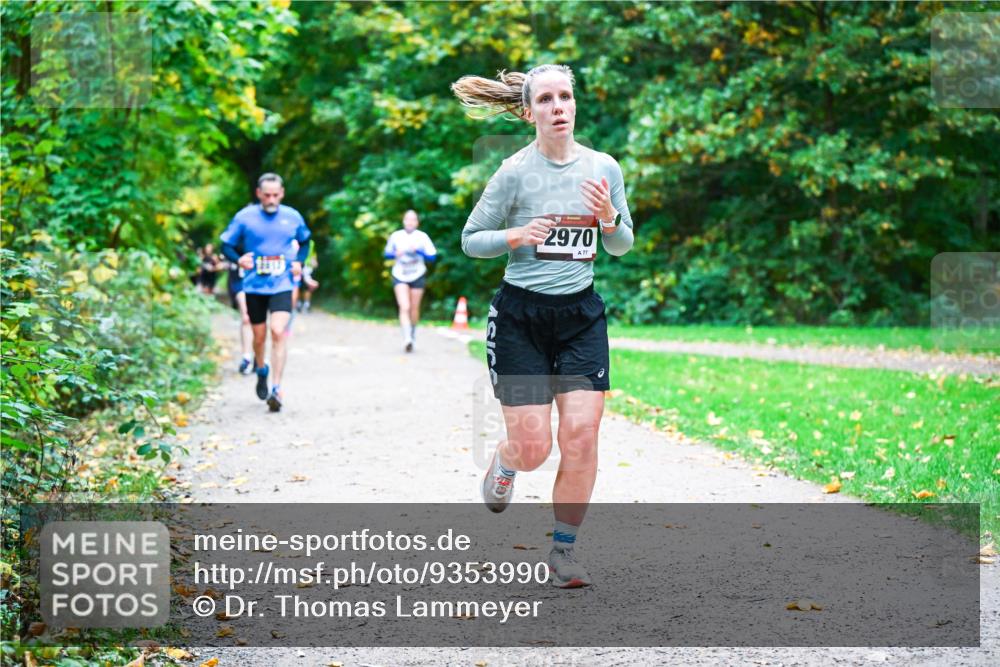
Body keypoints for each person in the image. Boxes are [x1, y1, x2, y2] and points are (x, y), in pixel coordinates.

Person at [453, 65, 635, 588]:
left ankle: (564, 552)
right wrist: (516, 235)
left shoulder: (604, 168)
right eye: (547, 100)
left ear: (574, 105)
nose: (559, 107)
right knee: (534, 449)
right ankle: (507, 462)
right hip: (520, 319)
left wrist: (608, 221)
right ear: (529, 111)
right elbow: (471, 239)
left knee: (581, 435)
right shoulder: (513, 172)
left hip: (579, 316)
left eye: (566, 97)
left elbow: (622, 245)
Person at [220, 173, 311, 412]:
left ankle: (277, 388)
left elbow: (305, 241)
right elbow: (226, 244)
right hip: (254, 286)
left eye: (275, 195)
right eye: (267, 195)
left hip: (282, 284)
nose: (271, 199)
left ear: (282, 193)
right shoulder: (244, 217)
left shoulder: (292, 217)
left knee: (278, 331)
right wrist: (239, 259)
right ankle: (262, 370)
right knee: (259, 337)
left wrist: (299, 261)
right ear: (259, 194)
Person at [384, 210, 437, 352]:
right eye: (407, 219)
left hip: (417, 274)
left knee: (414, 308)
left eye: (413, 219)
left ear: (417, 222)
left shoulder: (422, 237)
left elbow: (432, 257)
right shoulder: (396, 236)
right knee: (404, 306)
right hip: (400, 275)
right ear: (403, 221)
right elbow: (386, 254)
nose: (410, 222)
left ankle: (412, 335)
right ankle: (407, 338)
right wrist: (396, 253)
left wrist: (418, 251)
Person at [226, 258, 255, 375]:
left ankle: (258, 356)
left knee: (259, 322)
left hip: (261, 285)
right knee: (246, 317)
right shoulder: (234, 243)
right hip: (240, 283)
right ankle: (246, 357)